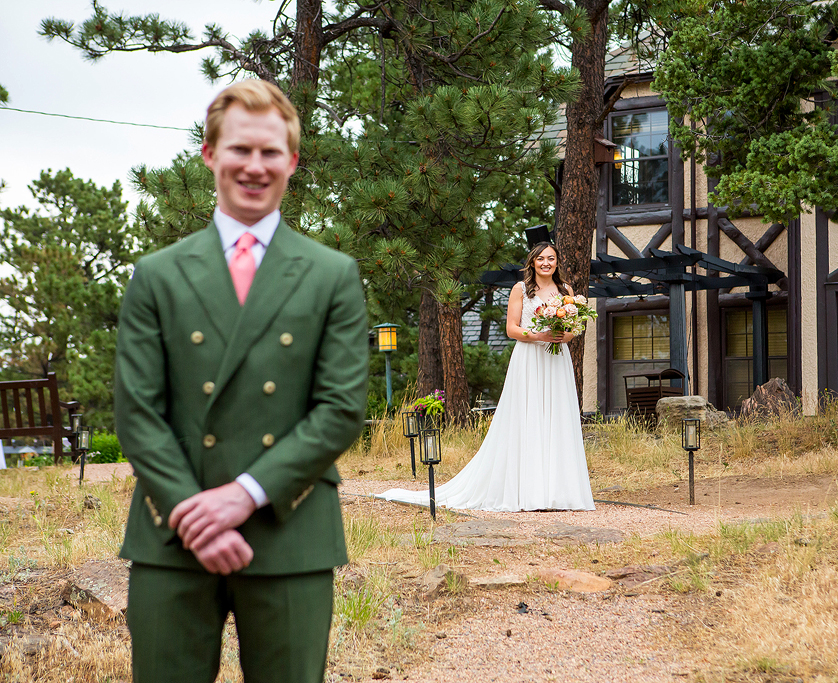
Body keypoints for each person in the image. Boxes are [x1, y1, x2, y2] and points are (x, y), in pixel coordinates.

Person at [114, 80, 368, 683]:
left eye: (270, 153)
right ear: (209, 154)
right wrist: (190, 512)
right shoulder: (157, 276)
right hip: (172, 536)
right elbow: (137, 414)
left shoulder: (332, 275)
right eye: (239, 150)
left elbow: (339, 409)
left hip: (289, 531)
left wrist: (244, 494)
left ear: (293, 162)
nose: (254, 167)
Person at [380, 242, 595, 511]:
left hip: (556, 359)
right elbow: (511, 329)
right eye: (540, 259)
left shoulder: (566, 292)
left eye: (551, 258)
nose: (546, 263)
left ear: (557, 262)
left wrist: (564, 335)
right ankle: (529, 491)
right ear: (532, 262)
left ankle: (558, 491)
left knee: (556, 416)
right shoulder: (521, 290)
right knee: (527, 416)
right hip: (529, 358)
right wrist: (538, 336)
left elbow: (575, 328)